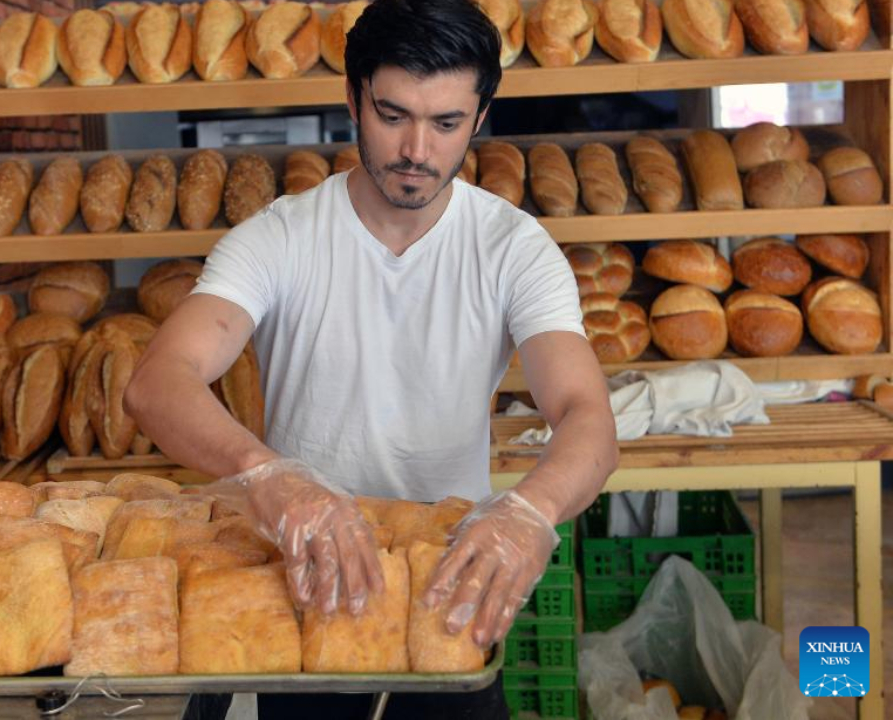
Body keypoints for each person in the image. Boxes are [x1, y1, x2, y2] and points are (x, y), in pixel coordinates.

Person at [124, 0, 618, 716]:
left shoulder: (513, 247)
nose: (416, 148)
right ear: (353, 99)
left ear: (479, 120)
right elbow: (157, 383)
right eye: (392, 115)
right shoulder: (281, 237)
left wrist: (531, 514)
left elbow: (585, 414)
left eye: (446, 123)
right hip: (298, 575)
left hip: (448, 580)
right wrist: (265, 474)